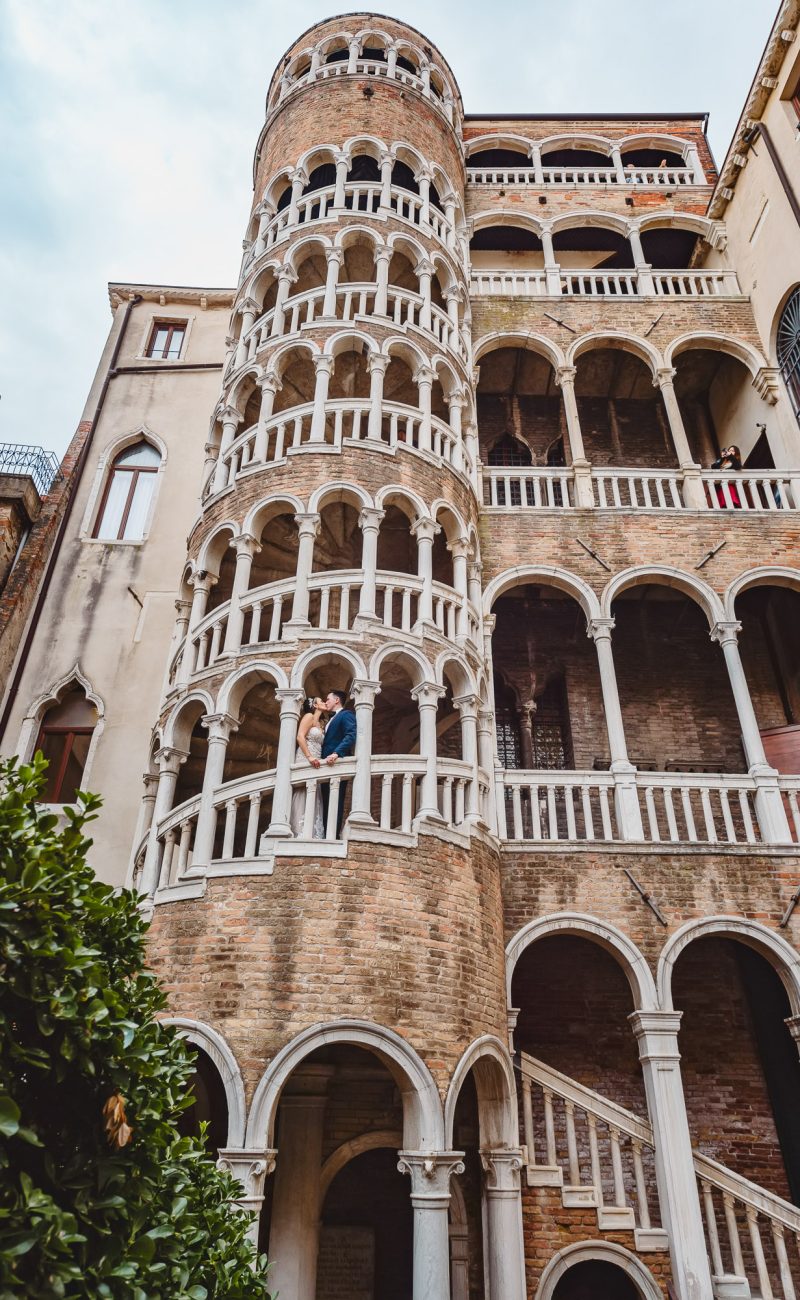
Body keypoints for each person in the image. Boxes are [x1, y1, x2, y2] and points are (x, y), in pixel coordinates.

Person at [319, 689, 356, 837]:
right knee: (326, 801)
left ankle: (333, 835)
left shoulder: (346, 715)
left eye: (328, 699)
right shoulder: (330, 719)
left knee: (336, 801)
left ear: (336, 700)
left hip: (336, 763)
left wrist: (336, 753)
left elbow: (351, 735)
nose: (326, 702)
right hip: (325, 765)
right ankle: (326, 834)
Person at [290, 697, 328, 838]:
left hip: (317, 759)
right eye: (321, 701)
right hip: (305, 757)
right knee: (303, 791)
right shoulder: (309, 716)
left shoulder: (321, 723)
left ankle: (312, 833)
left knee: (314, 791)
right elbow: (300, 736)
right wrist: (309, 756)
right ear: (315, 705)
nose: (324, 702)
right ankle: (298, 830)